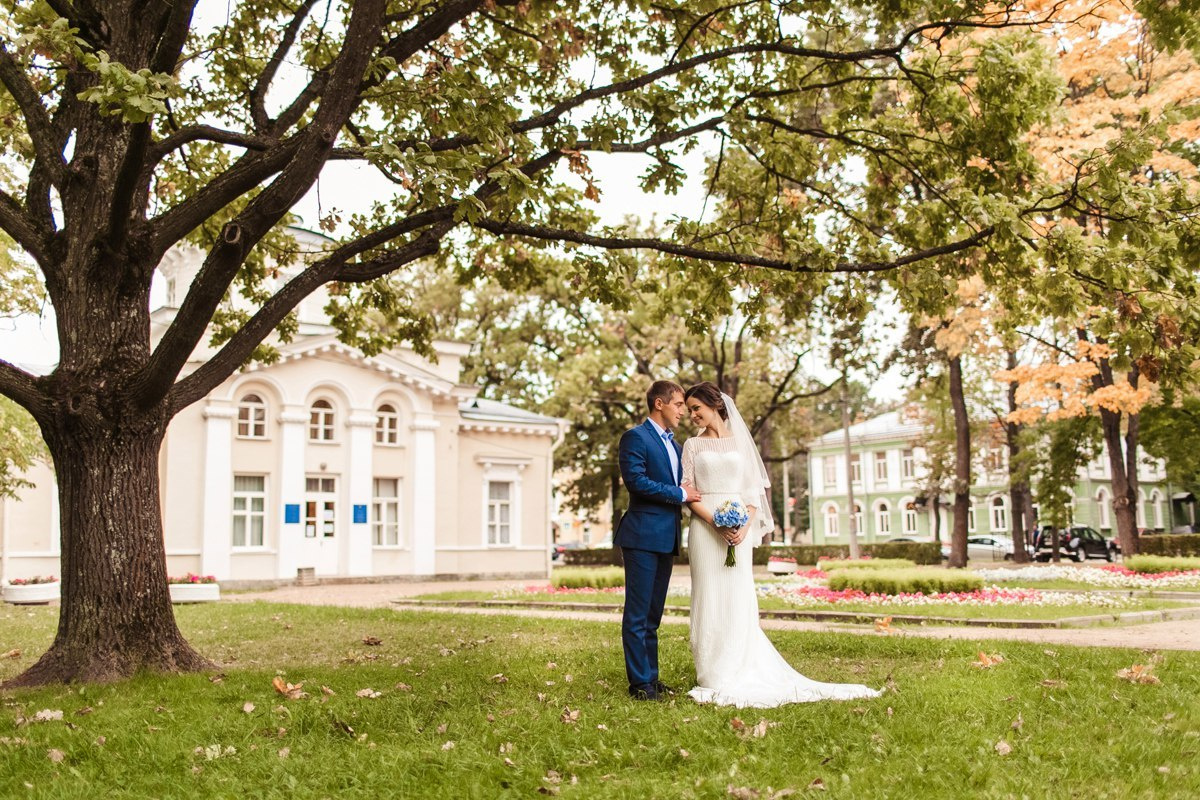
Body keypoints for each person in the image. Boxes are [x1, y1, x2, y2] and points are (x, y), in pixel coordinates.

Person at [680, 381, 882, 708]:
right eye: (689, 410)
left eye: (696, 408)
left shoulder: (740, 443)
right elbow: (688, 493)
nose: (692, 415)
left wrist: (741, 527)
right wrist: (716, 522)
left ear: (714, 405)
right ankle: (712, 671)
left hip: (738, 532)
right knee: (708, 594)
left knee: (736, 595)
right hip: (705, 528)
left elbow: (753, 493)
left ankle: (738, 663)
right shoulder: (691, 446)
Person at [614, 380, 701, 701]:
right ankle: (639, 684)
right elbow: (636, 481)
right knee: (637, 614)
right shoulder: (635, 437)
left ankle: (651, 676)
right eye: (679, 405)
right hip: (640, 536)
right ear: (660, 404)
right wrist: (679, 493)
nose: (683, 411)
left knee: (653, 615)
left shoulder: (677, 447)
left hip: (667, 537)